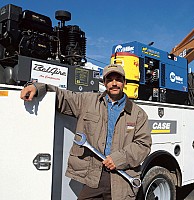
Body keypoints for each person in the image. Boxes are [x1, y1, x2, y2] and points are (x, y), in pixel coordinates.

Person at [20, 64, 152, 200]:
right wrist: (37, 87)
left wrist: (118, 159)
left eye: (118, 79)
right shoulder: (87, 101)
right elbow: (63, 97)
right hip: (94, 176)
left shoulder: (138, 114)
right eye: (109, 79)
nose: (114, 83)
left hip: (122, 177)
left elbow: (143, 144)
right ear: (104, 83)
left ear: (124, 83)